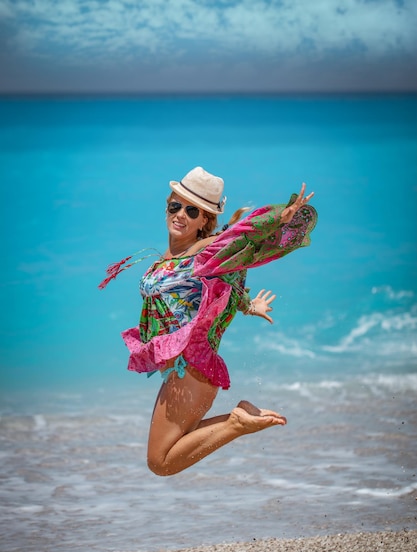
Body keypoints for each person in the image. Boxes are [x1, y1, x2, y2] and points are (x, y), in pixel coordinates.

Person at [99, 166, 316, 476]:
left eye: (193, 210)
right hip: (182, 370)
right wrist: (247, 305)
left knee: (160, 462)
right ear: (167, 206)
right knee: (163, 457)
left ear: (205, 221)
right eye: (176, 205)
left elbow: (240, 238)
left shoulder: (202, 252)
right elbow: (215, 287)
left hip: (192, 367)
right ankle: (238, 420)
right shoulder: (172, 255)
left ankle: (237, 423)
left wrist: (277, 218)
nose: (181, 214)